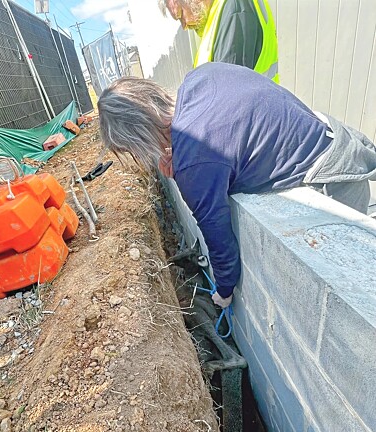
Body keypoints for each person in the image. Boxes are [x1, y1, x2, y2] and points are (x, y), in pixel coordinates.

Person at [97, 63, 372, 308]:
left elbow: (219, 240)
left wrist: (224, 291)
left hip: (331, 181)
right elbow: (233, 140)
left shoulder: (194, 163)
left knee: (349, 289)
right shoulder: (200, 77)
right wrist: (186, 165)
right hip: (337, 137)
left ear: (137, 138)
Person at [160, 0, 279, 81]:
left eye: (181, 15)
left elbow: (227, 96)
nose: (185, 26)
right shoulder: (218, 15)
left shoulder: (234, 12)